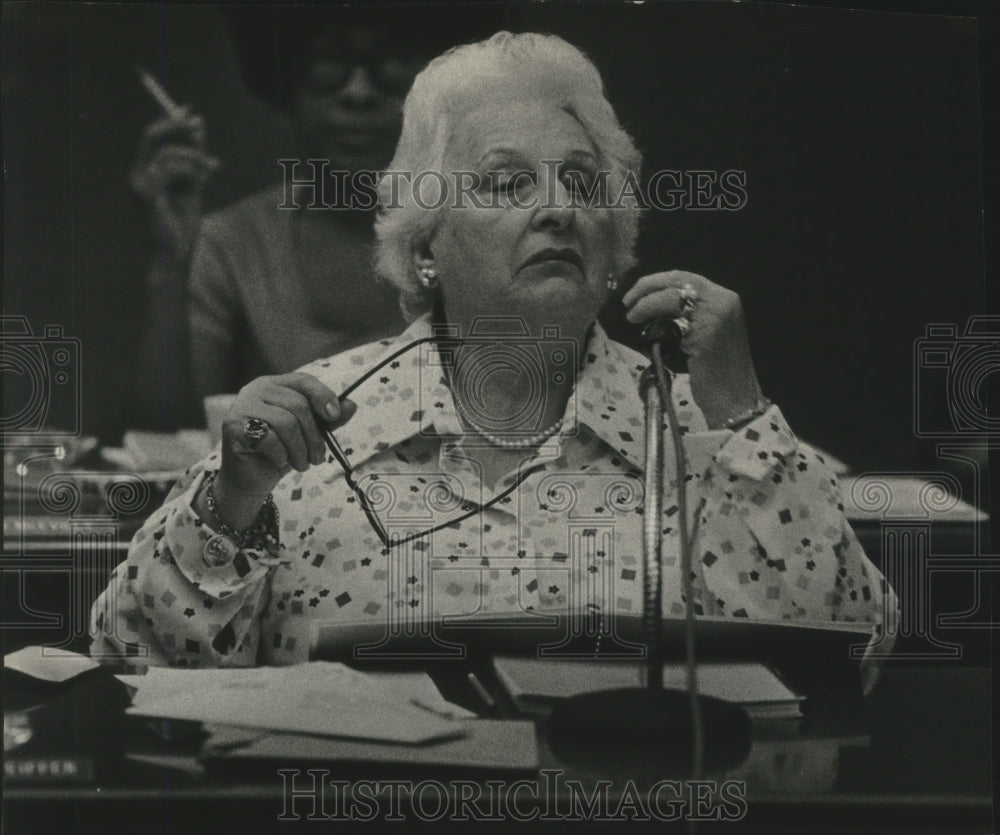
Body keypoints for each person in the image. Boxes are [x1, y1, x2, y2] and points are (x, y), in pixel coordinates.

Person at [93, 32, 896, 682]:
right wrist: (228, 506)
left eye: (581, 185)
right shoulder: (305, 432)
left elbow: (857, 656)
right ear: (425, 243)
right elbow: (132, 661)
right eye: (508, 184)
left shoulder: (713, 433)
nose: (557, 208)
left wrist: (745, 416)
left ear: (614, 241)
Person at [129, 5, 500, 429]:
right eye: (329, 61)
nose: (357, 92)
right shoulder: (235, 243)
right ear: (288, 83)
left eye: (393, 63)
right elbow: (166, 444)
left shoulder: (487, 231)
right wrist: (170, 261)